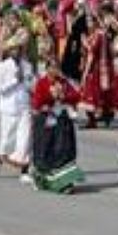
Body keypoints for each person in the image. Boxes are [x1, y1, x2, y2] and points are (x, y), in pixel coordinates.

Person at [29, 60, 84, 193]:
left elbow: (77, 96)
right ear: (47, 69)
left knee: (64, 150)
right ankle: (42, 180)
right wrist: (50, 97)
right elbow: (37, 102)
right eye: (52, 67)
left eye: (57, 67)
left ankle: (65, 183)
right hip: (46, 122)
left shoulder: (64, 82)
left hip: (61, 121)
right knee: (45, 150)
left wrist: (63, 96)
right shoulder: (42, 83)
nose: (55, 70)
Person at [0, 30, 34, 182]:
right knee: (7, 140)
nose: (17, 51)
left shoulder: (27, 65)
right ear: (9, 51)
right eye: (14, 49)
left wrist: (29, 84)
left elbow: (31, 84)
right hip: (8, 108)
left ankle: (24, 171)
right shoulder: (2, 66)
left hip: (24, 106)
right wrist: (14, 81)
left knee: (26, 139)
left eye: (19, 49)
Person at [79, 4, 116, 128]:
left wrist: (85, 42)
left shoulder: (99, 34)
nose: (88, 24)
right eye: (87, 22)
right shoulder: (96, 34)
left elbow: (93, 50)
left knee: (92, 93)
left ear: (96, 22)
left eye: (90, 21)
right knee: (98, 93)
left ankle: (95, 119)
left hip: (97, 69)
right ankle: (103, 116)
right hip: (96, 67)